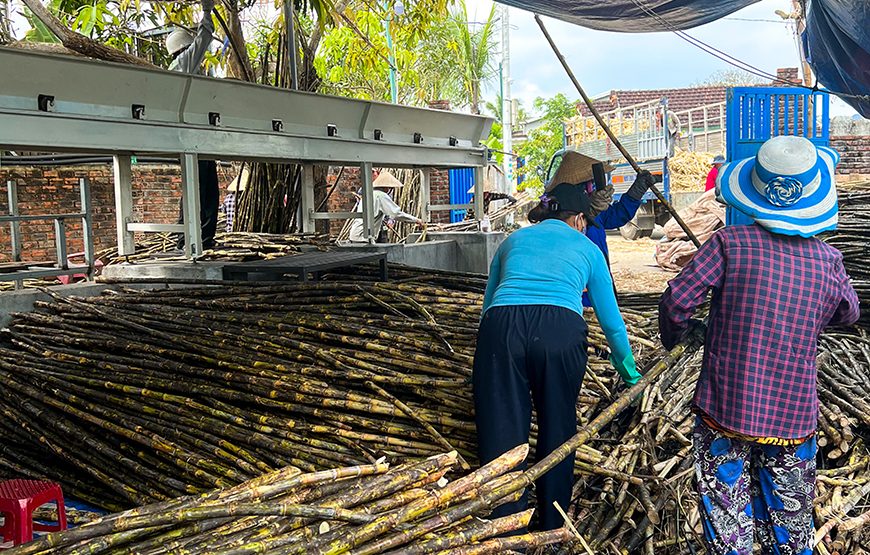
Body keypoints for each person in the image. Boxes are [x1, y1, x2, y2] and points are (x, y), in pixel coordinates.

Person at [658, 135, 860, 555]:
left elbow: (678, 299)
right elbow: (849, 313)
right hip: (793, 413)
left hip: (725, 407)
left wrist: (682, 335)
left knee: (728, 524)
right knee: (791, 525)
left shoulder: (730, 244)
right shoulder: (828, 261)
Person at [473, 183, 641, 532]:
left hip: (501, 326)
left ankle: (506, 526)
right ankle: (552, 523)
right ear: (579, 218)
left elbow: (488, 304)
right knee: (558, 424)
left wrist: (492, 357)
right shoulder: (588, 247)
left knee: (501, 429)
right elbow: (612, 323)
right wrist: (630, 375)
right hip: (559, 329)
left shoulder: (512, 242)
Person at [167, 0, 219, 251]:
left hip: (194, 137)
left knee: (200, 191)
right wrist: (207, 11)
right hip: (193, 139)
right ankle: (193, 241)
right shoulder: (185, 62)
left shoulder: (177, 68)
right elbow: (204, 37)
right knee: (202, 194)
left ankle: (194, 239)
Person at [347, 171, 423, 243]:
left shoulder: (369, 194)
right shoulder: (381, 196)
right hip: (363, 237)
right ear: (386, 187)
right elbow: (396, 214)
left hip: (356, 234)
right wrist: (416, 220)